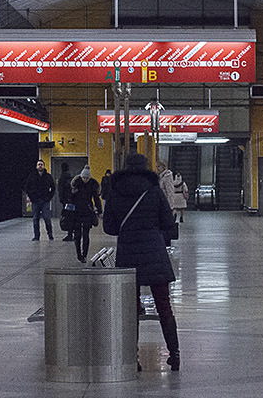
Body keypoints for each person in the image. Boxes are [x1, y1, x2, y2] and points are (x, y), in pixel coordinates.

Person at [103, 153, 180, 371]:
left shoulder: (116, 191)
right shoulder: (154, 191)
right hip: (154, 253)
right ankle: (174, 355)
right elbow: (167, 222)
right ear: (146, 168)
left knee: (131, 308)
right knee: (164, 304)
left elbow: (109, 227)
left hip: (128, 254)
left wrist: (128, 229)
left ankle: (132, 358)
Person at [67, 165, 102, 262]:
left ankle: (85, 254)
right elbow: (69, 199)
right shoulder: (76, 183)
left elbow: (96, 199)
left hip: (87, 211)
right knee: (77, 235)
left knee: (86, 234)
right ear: (81, 176)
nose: (85, 179)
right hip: (76, 212)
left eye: (87, 178)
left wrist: (99, 211)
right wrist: (72, 194)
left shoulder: (93, 184)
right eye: (84, 178)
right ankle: (79, 254)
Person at [23, 159, 56, 240]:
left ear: (44, 166)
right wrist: (31, 197)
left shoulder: (48, 176)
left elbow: (53, 188)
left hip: (45, 201)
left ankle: (50, 235)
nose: (40, 166)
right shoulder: (32, 176)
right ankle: (36, 236)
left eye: (41, 164)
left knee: (47, 218)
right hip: (35, 201)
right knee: (35, 219)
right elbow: (27, 187)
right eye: (39, 164)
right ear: (36, 166)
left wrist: (49, 197)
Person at [57, 163, 75, 241]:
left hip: (66, 201)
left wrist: (61, 199)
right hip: (72, 200)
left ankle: (69, 234)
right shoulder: (71, 177)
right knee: (72, 217)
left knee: (67, 217)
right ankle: (73, 232)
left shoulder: (62, 178)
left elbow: (60, 190)